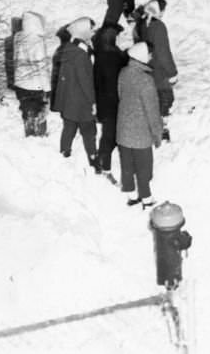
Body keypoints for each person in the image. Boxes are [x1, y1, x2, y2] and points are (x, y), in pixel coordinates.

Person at [116, 42, 163, 209]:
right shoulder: (146, 80)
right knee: (144, 168)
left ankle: (131, 195)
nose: (151, 57)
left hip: (123, 128)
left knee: (127, 164)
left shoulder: (123, 72)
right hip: (140, 132)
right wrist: (157, 134)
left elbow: (121, 94)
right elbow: (152, 111)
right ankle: (146, 199)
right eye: (150, 54)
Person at [51, 16, 99, 170]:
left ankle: (65, 152)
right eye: (91, 29)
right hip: (81, 101)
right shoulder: (80, 54)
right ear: (83, 31)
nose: (93, 32)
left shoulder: (70, 48)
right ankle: (93, 159)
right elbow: (85, 80)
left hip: (70, 99)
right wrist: (93, 101)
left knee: (69, 127)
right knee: (89, 130)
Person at [135, 0, 177, 142]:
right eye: (163, 10)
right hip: (159, 70)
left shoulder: (143, 23)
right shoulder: (158, 26)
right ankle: (162, 131)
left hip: (147, 66)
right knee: (165, 99)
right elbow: (163, 51)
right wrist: (172, 72)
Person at [93, 22, 128, 174]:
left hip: (105, 103)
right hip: (114, 103)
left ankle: (103, 164)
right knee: (111, 136)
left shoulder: (101, 55)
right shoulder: (114, 56)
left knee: (109, 135)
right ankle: (102, 164)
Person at [12, 11, 51, 137]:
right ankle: (40, 134)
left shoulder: (18, 38)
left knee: (27, 109)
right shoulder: (36, 41)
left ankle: (29, 132)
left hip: (21, 83)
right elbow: (42, 67)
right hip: (35, 84)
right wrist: (47, 88)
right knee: (40, 110)